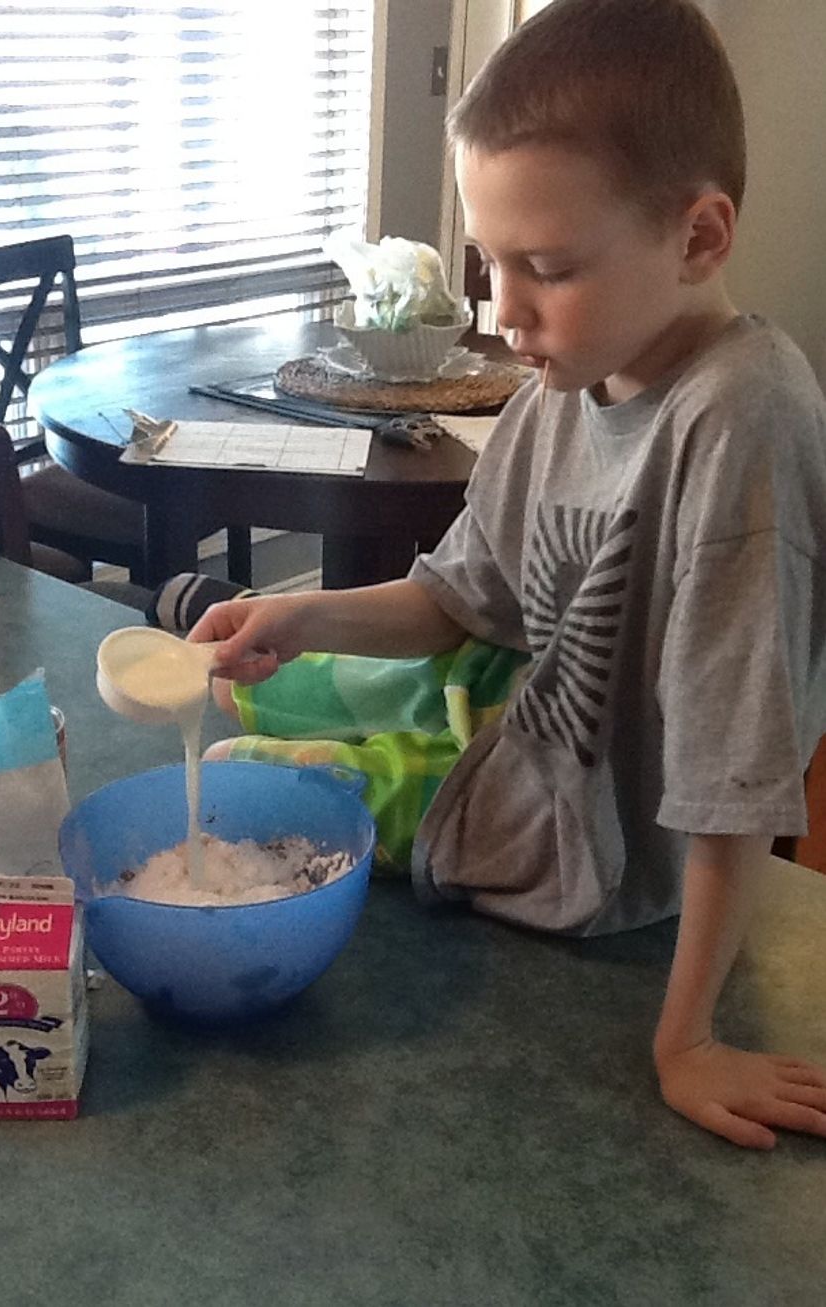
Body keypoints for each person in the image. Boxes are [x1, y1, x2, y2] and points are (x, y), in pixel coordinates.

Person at [177, 0, 826, 1148]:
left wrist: (687, 1040)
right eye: (489, 263)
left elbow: (734, 775)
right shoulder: (558, 388)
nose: (504, 312)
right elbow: (455, 598)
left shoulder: (741, 417)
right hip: (517, 718)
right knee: (251, 670)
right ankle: (341, 700)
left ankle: (376, 755)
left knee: (241, 763)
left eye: (547, 267)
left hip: (588, 849)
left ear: (697, 236)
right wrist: (301, 612)